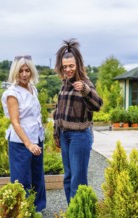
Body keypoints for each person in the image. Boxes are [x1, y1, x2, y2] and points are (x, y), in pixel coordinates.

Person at [53, 39, 103, 204]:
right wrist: (56, 134)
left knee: (78, 179)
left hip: (79, 136)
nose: (67, 70)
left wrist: (86, 90)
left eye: (71, 66)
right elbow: (58, 112)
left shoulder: (85, 83)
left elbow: (98, 105)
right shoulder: (65, 84)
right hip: (65, 135)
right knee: (68, 177)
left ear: (78, 64)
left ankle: (80, 213)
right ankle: (73, 210)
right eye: (64, 66)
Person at [1, 55, 46, 212]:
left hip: (37, 138)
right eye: (21, 71)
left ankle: (37, 210)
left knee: (37, 176)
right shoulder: (12, 93)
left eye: (27, 70)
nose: (25, 74)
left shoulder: (33, 89)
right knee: (22, 180)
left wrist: (38, 139)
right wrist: (29, 144)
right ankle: (21, 212)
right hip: (21, 142)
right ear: (15, 72)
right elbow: (15, 123)